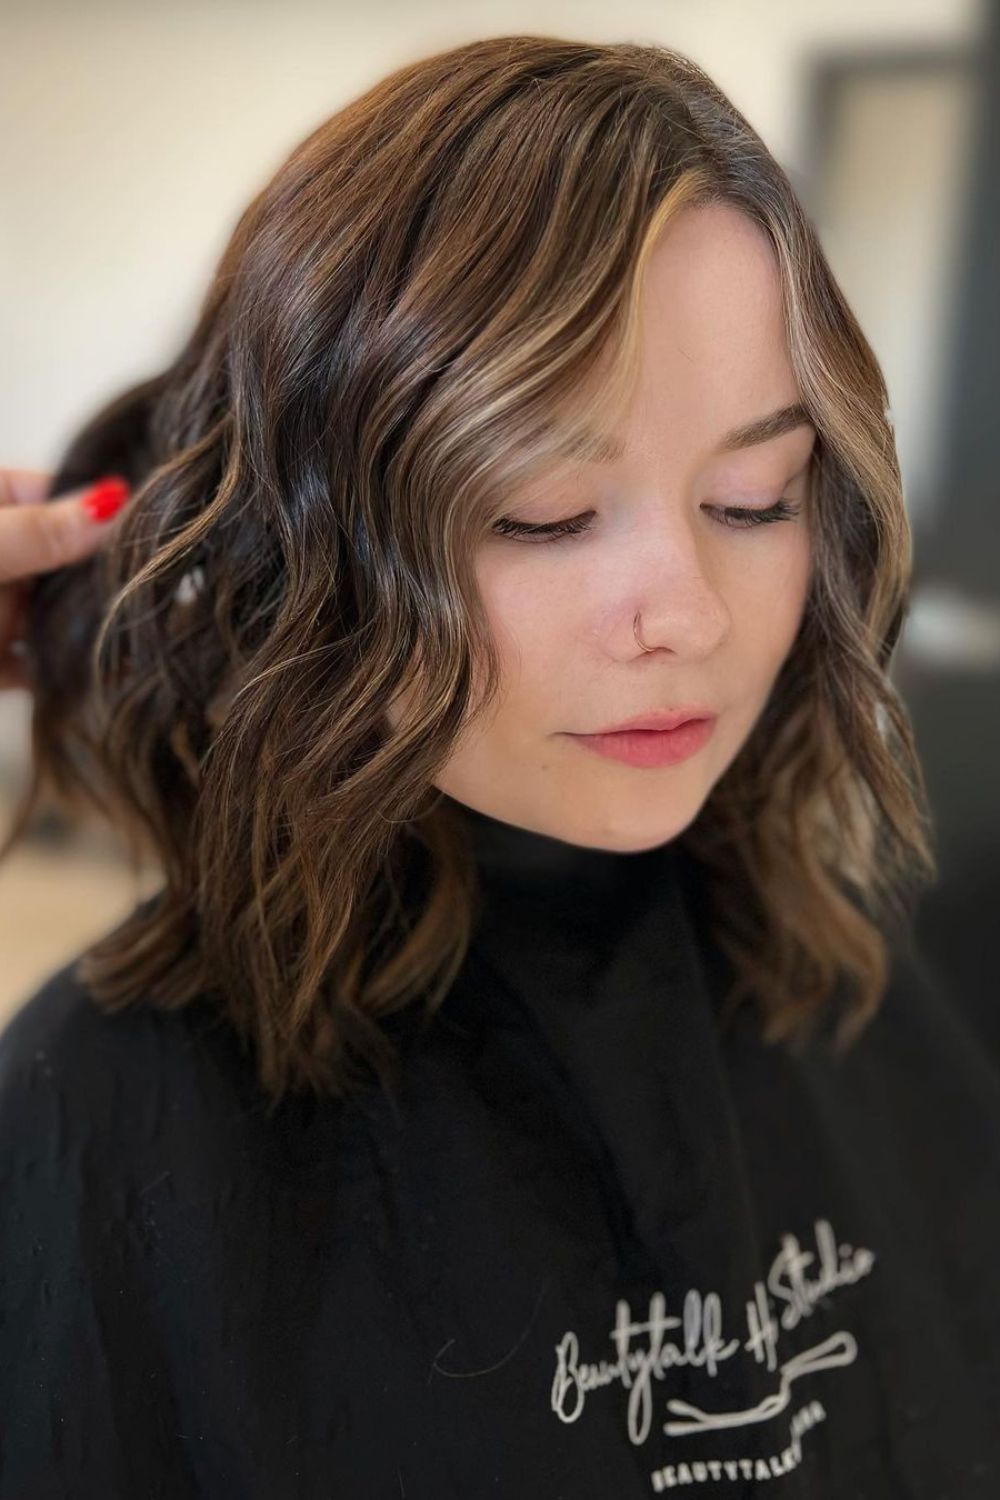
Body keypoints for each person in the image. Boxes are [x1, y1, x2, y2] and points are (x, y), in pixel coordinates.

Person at [0, 33, 997, 1500]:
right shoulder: (101, 1122)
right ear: (308, 537)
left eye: (753, 495)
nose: (690, 615)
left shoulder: (857, 976)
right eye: (542, 509)